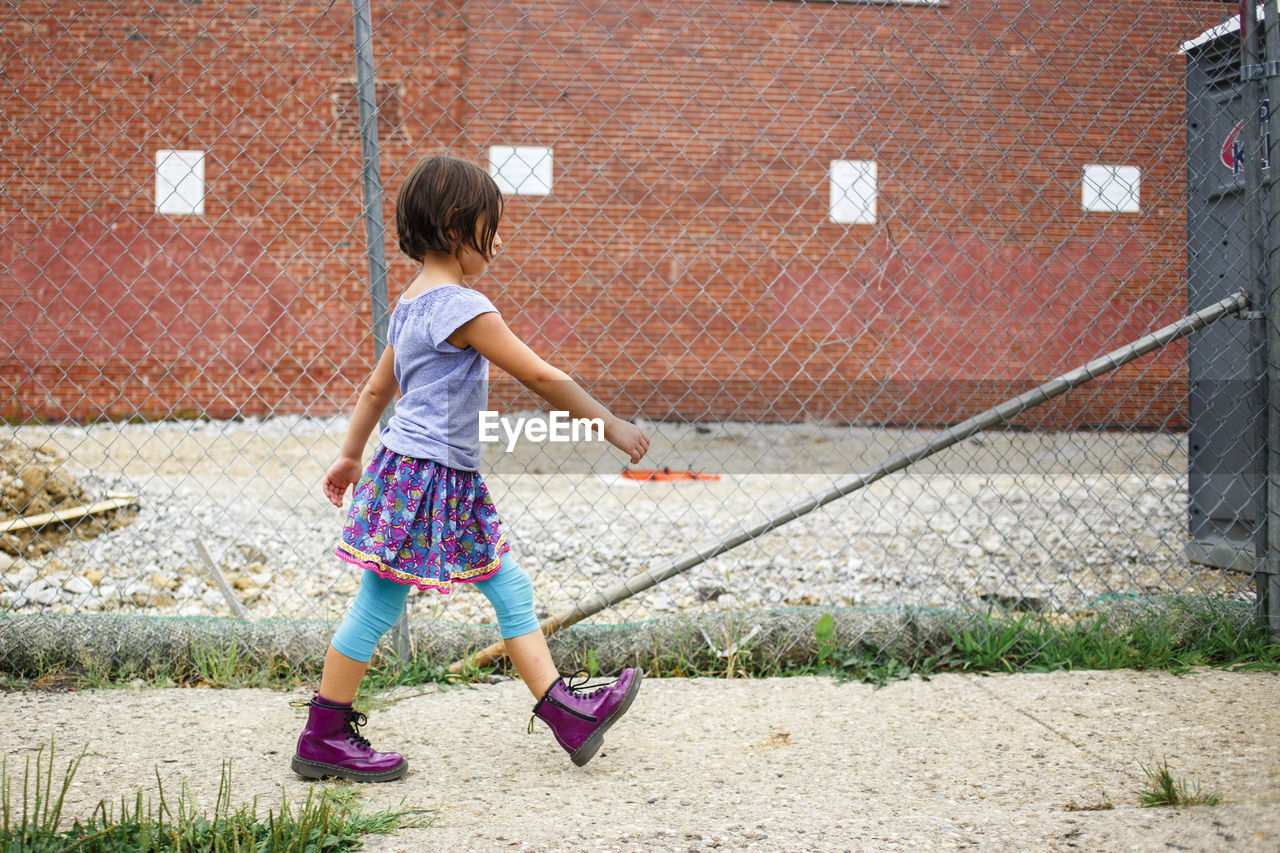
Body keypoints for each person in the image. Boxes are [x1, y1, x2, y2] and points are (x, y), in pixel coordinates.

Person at [291, 153, 649, 782]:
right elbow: (536, 372)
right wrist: (608, 422)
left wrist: (351, 455)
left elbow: (379, 391)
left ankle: (567, 713)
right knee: (379, 604)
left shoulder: (410, 306)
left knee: (506, 584)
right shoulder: (462, 306)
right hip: (428, 475)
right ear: (459, 227)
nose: (500, 239)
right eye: (493, 224)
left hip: (422, 472)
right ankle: (323, 735)